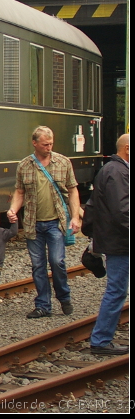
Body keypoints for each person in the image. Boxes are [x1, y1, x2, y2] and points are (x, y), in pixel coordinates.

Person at [8, 126, 82, 319]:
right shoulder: (24, 165)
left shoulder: (63, 163)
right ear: (35, 143)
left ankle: (64, 297)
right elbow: (19, 192)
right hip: (33, 224)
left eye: (51, 143)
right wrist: (13, 210)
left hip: (56, 223)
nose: (49, 147)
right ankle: (43, 305)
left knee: (57, 262)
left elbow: (73, 190)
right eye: (45, 144)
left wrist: (75, 217)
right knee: (38, 266)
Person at [88, 134, 129, 356]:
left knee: (117, 289)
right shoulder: (117, 172)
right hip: (120, 242)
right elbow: (122, 211)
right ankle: (101, 340)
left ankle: (101, 338)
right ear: (127, 149)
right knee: (116, 290)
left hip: (117, 241)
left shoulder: (115, 170)